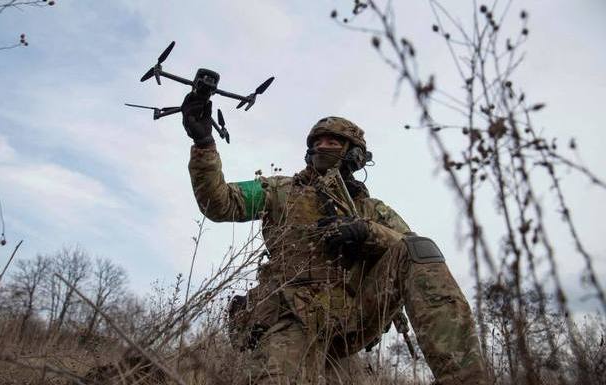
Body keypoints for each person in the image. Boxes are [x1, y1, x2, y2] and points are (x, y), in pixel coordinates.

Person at [182, 93, 488, 385]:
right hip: (293, 314)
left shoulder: (371, 209)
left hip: (353, 315)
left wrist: (367, 231)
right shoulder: (279, 190)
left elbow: (410, 249)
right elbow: (219, 202)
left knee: (419, 249)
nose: (323, 146)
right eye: (318, 142)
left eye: (333, 141)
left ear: (354, 153)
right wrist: (204, 142)